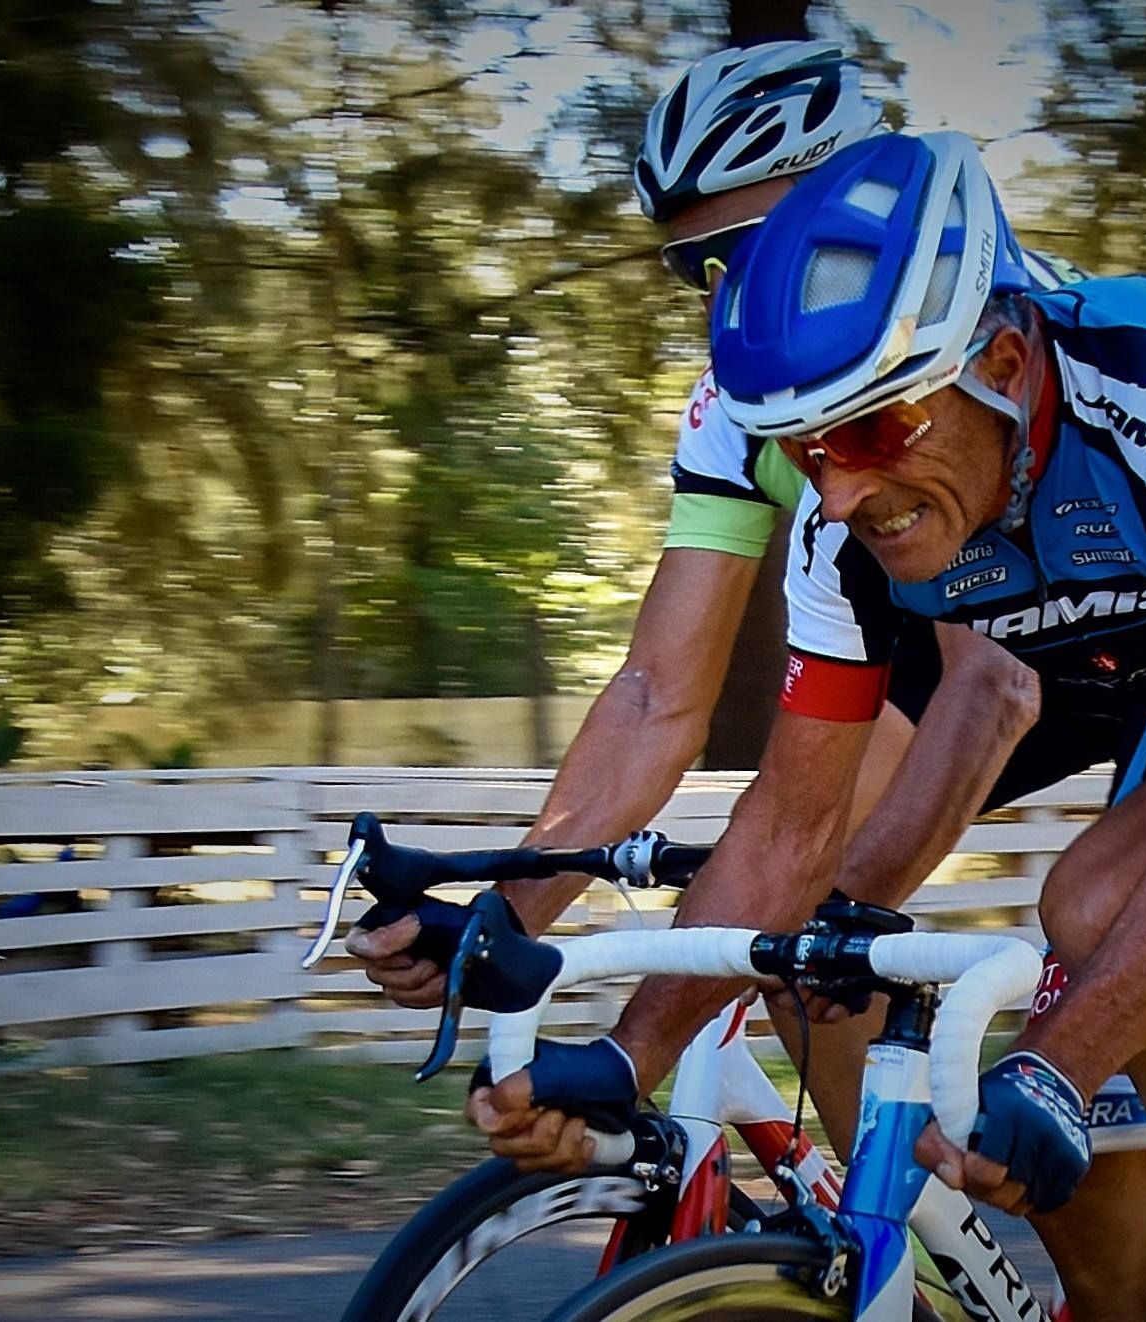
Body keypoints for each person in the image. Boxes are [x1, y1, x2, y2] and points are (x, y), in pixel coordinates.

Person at [471, 129, 1146, 1322]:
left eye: (873, 431)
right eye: (801, 448)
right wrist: (626, 1056)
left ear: (1003, 357)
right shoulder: (847, 526)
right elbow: (787, 827)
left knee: (1092, 913)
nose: (837, 491)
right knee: (1075, 1185)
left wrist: (1054, 1064)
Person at [347, 41, 1081, 1157]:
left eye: (755, 248)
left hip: (1143, 658)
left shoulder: (949, 345)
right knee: (800, 967)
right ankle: (903, 1265)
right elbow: (655, 696)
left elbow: (993, 688)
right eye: (700, 269)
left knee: (822, 949)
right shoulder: (731, 410)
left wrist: (805, 924)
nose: (731, 296)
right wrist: (503, 920)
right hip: (934, 667)